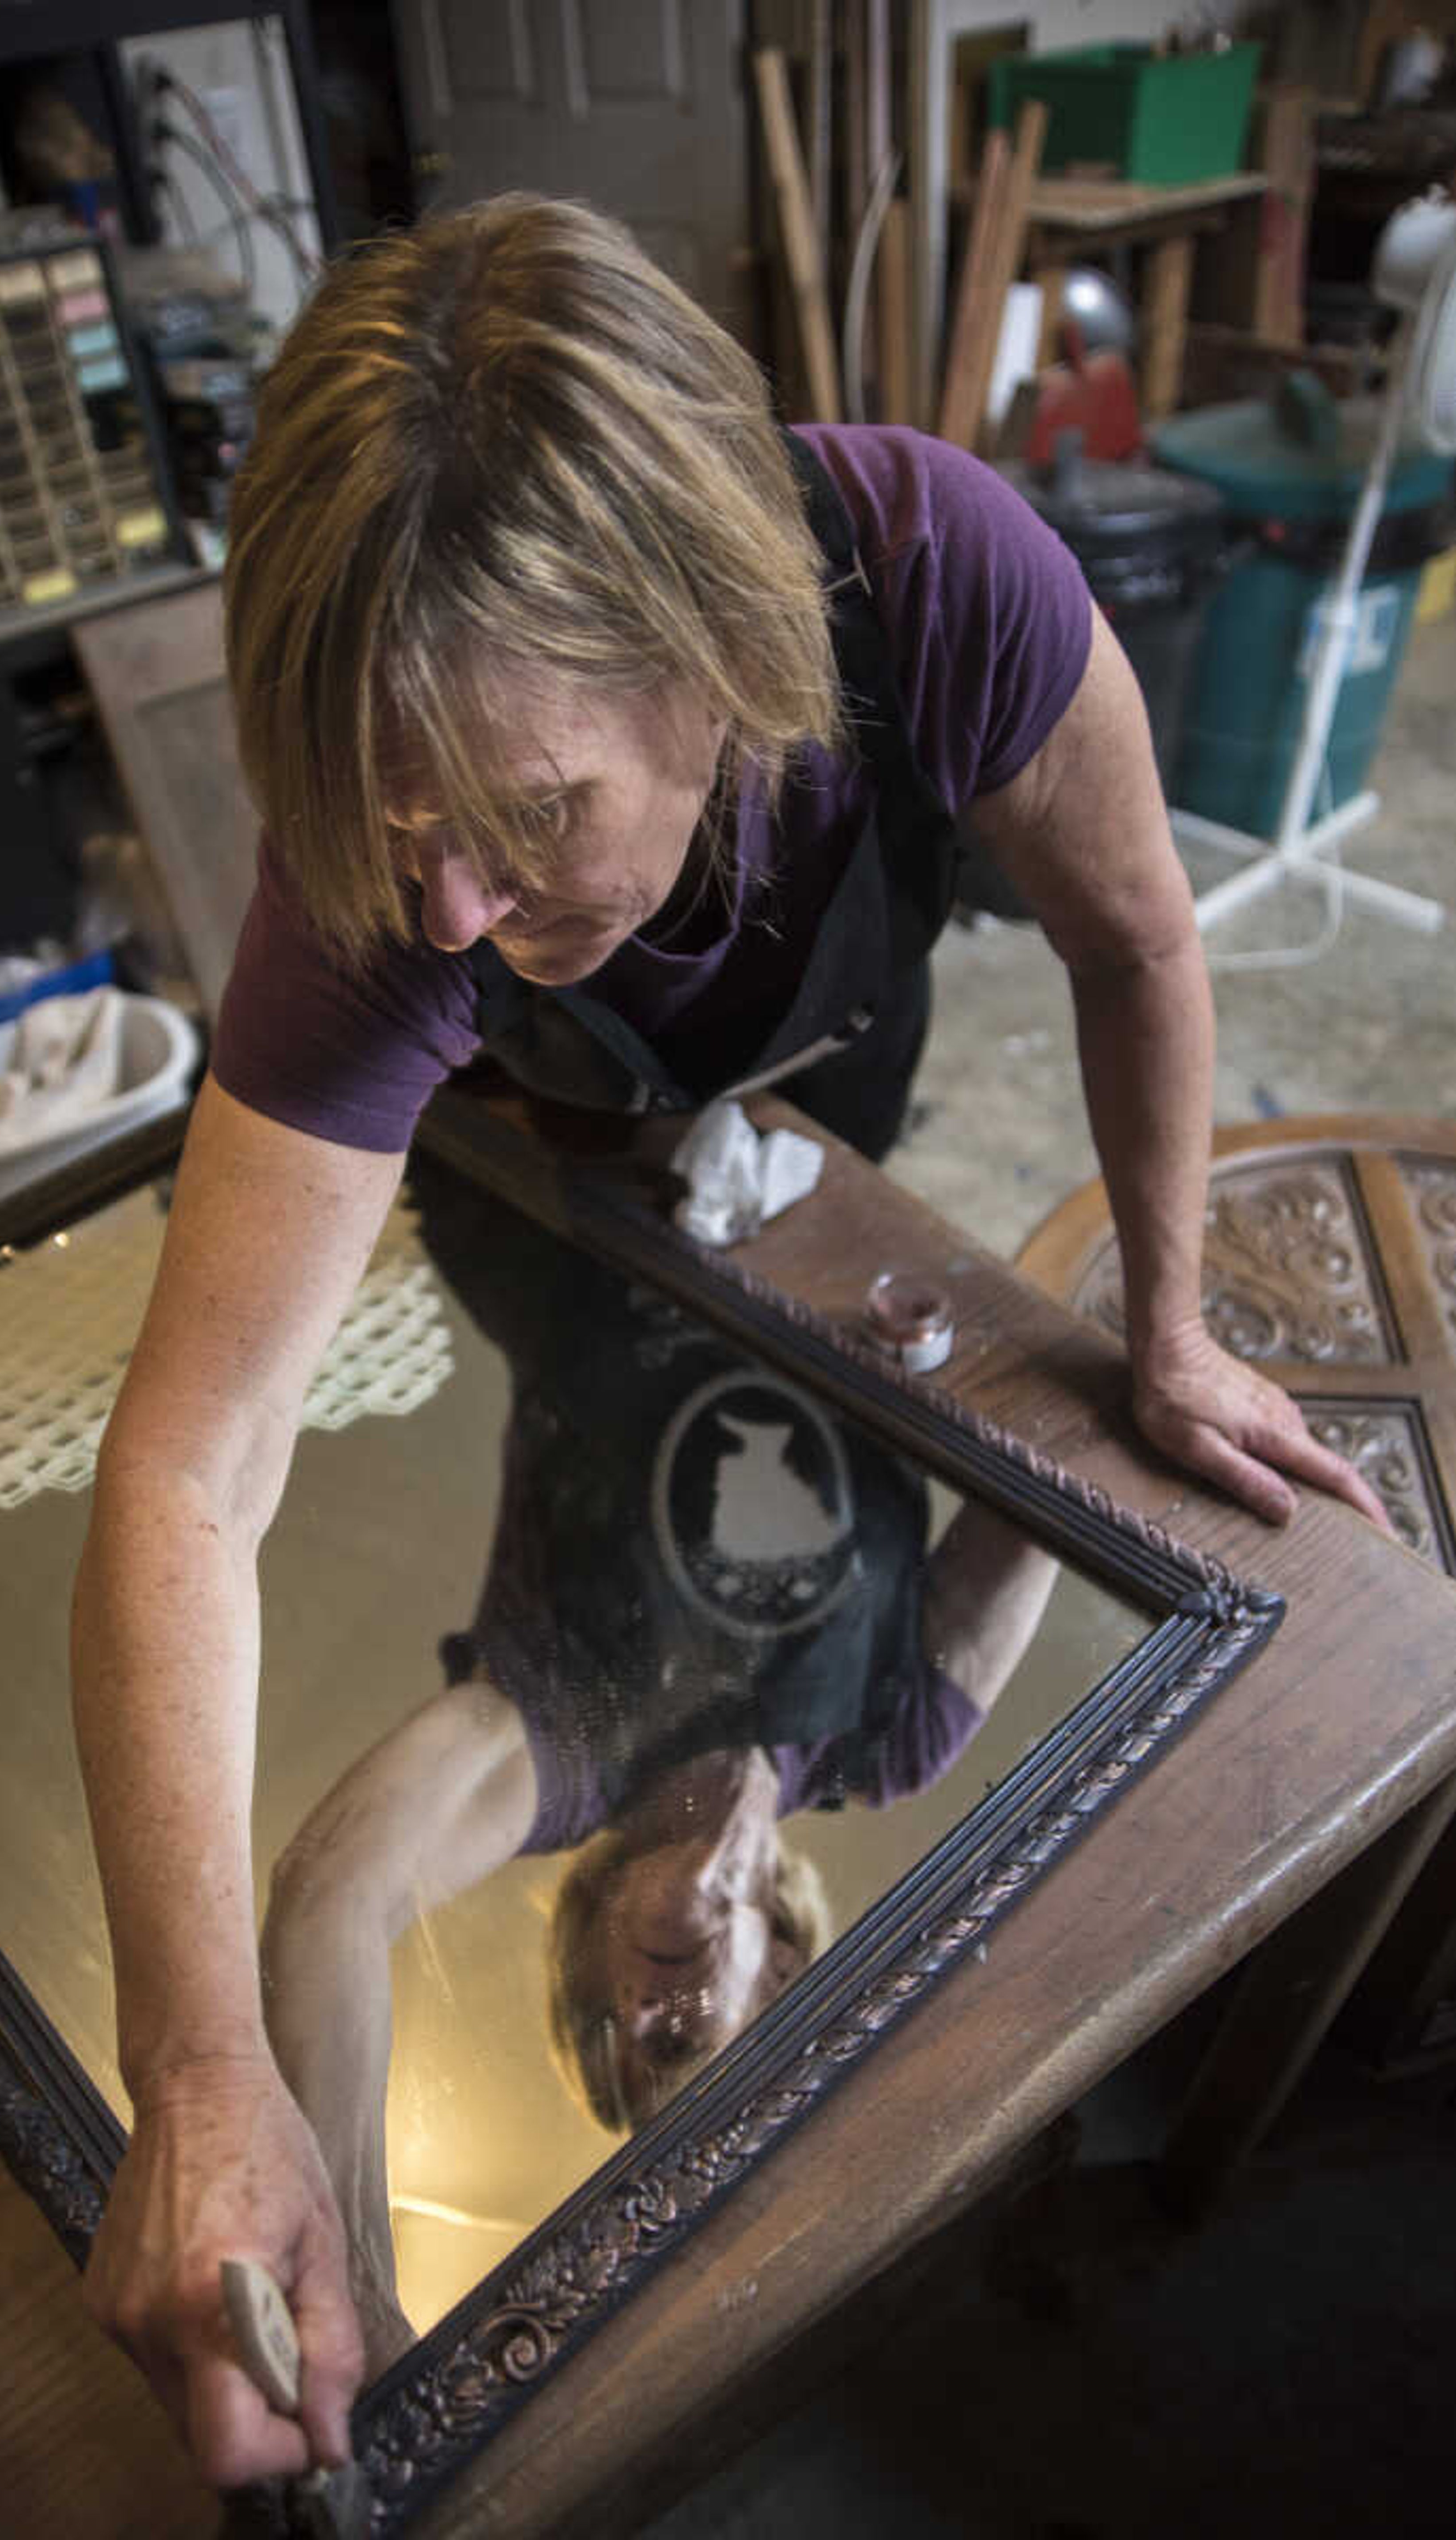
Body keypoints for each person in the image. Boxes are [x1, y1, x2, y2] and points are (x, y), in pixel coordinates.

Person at [70, 192, 1388, 2493]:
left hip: (813, 1128)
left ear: (701, 651)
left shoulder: (933, 575)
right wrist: (210, 2090)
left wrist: (1166, 1324)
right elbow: (194, 1468)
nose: (461, 902)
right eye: (405, 834)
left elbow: (1136, 935)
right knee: (510, 1019)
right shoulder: (394, 887)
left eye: (531, 815)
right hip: (556, 1206)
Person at [258, 1151, 1060, 2374]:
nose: (645, 2008)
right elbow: (1061, 1467)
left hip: (579, 1167)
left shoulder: (564, 1748)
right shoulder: (886, 1741)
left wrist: (358, 2304)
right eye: (686, 2041)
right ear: (781, 1969)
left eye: (607, 2027)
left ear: (579, 1951)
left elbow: (333, 1894)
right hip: (821, 1195)